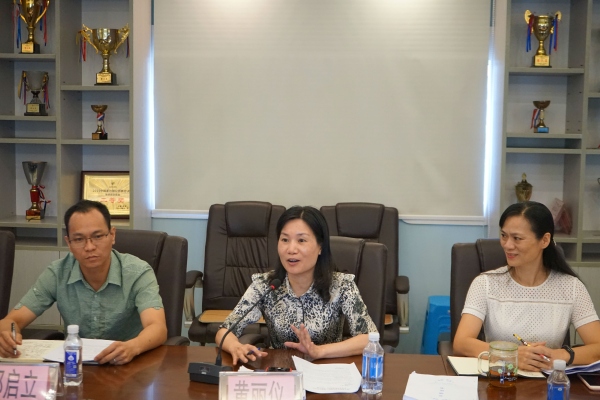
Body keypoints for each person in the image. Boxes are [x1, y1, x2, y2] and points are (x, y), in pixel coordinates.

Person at [0, 200, 167, 364]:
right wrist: (7, 334)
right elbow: (12, 320)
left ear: (112, 235)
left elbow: (157, 327)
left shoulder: (138, 272)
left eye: (98, 236)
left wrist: (132, 347)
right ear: (69, 243)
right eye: (79, 239)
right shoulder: (57, 273)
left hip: (129, 362)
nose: (89, 247)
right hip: (75, 367)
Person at [215, 205, 378, 364]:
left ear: (320, 247)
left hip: (327, 370)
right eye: (285, 240)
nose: (291, 249)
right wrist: (235, 346)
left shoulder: (341, 285)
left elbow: (369, 339)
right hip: (280, 373)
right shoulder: (266, 285)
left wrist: (319, 351)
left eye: (301, 240)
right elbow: (224, 330)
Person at [454, 201, 600, 371]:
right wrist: (511, 354)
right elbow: (461, 343)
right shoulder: (485, 283)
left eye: (517, 238)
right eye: (504, 235)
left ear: (544, 240)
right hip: (500, 379)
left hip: (548, 381)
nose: (507, 245)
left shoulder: (571, 287)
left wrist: (559, 355)